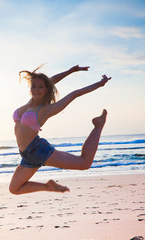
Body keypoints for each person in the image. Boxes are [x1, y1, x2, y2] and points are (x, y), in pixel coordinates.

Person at [9, 64, 111, 195]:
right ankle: (48, 186)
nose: (36, 89)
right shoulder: (30, 102)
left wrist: (100, 84)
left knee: (84, 163)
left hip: (38, 151)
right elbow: (52, 80)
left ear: (46, 90)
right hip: (26, 155)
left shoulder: (46, 109)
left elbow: (75, 94)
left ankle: (98, 125)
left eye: (40, 87)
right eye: (33, 86)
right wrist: (70, 70)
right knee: (14, 189)